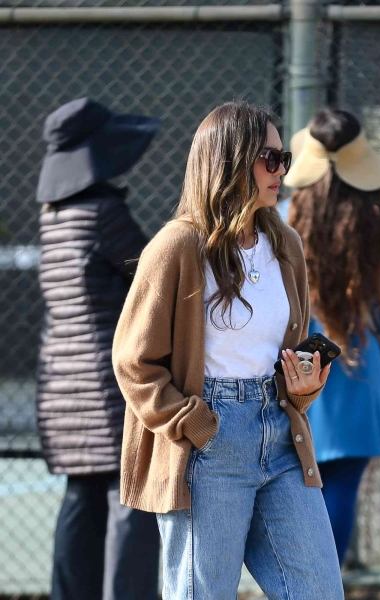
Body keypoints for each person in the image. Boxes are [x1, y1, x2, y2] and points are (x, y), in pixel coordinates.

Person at [112, 101, 344, 600]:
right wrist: (195, 425)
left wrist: (300, 389)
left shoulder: (286, 244)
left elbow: (280, 348)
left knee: (319, 591)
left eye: (284, 158)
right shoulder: (177, 246)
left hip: (282, 438)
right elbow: (134, 361)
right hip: (208, 442)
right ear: (230, 159)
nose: (281, 170)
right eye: (270, 158)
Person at [35, 97, 161, 600]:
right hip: (107, 389)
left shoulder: (54, 217)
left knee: (80, 499)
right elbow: (154, 276)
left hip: (60, 389)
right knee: (130, 497)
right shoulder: (104, 213)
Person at [281, 108, 380, 566]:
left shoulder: (281, 215)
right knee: (341, 488)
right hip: (357, 364)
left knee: (291, 491)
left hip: (291, 370)